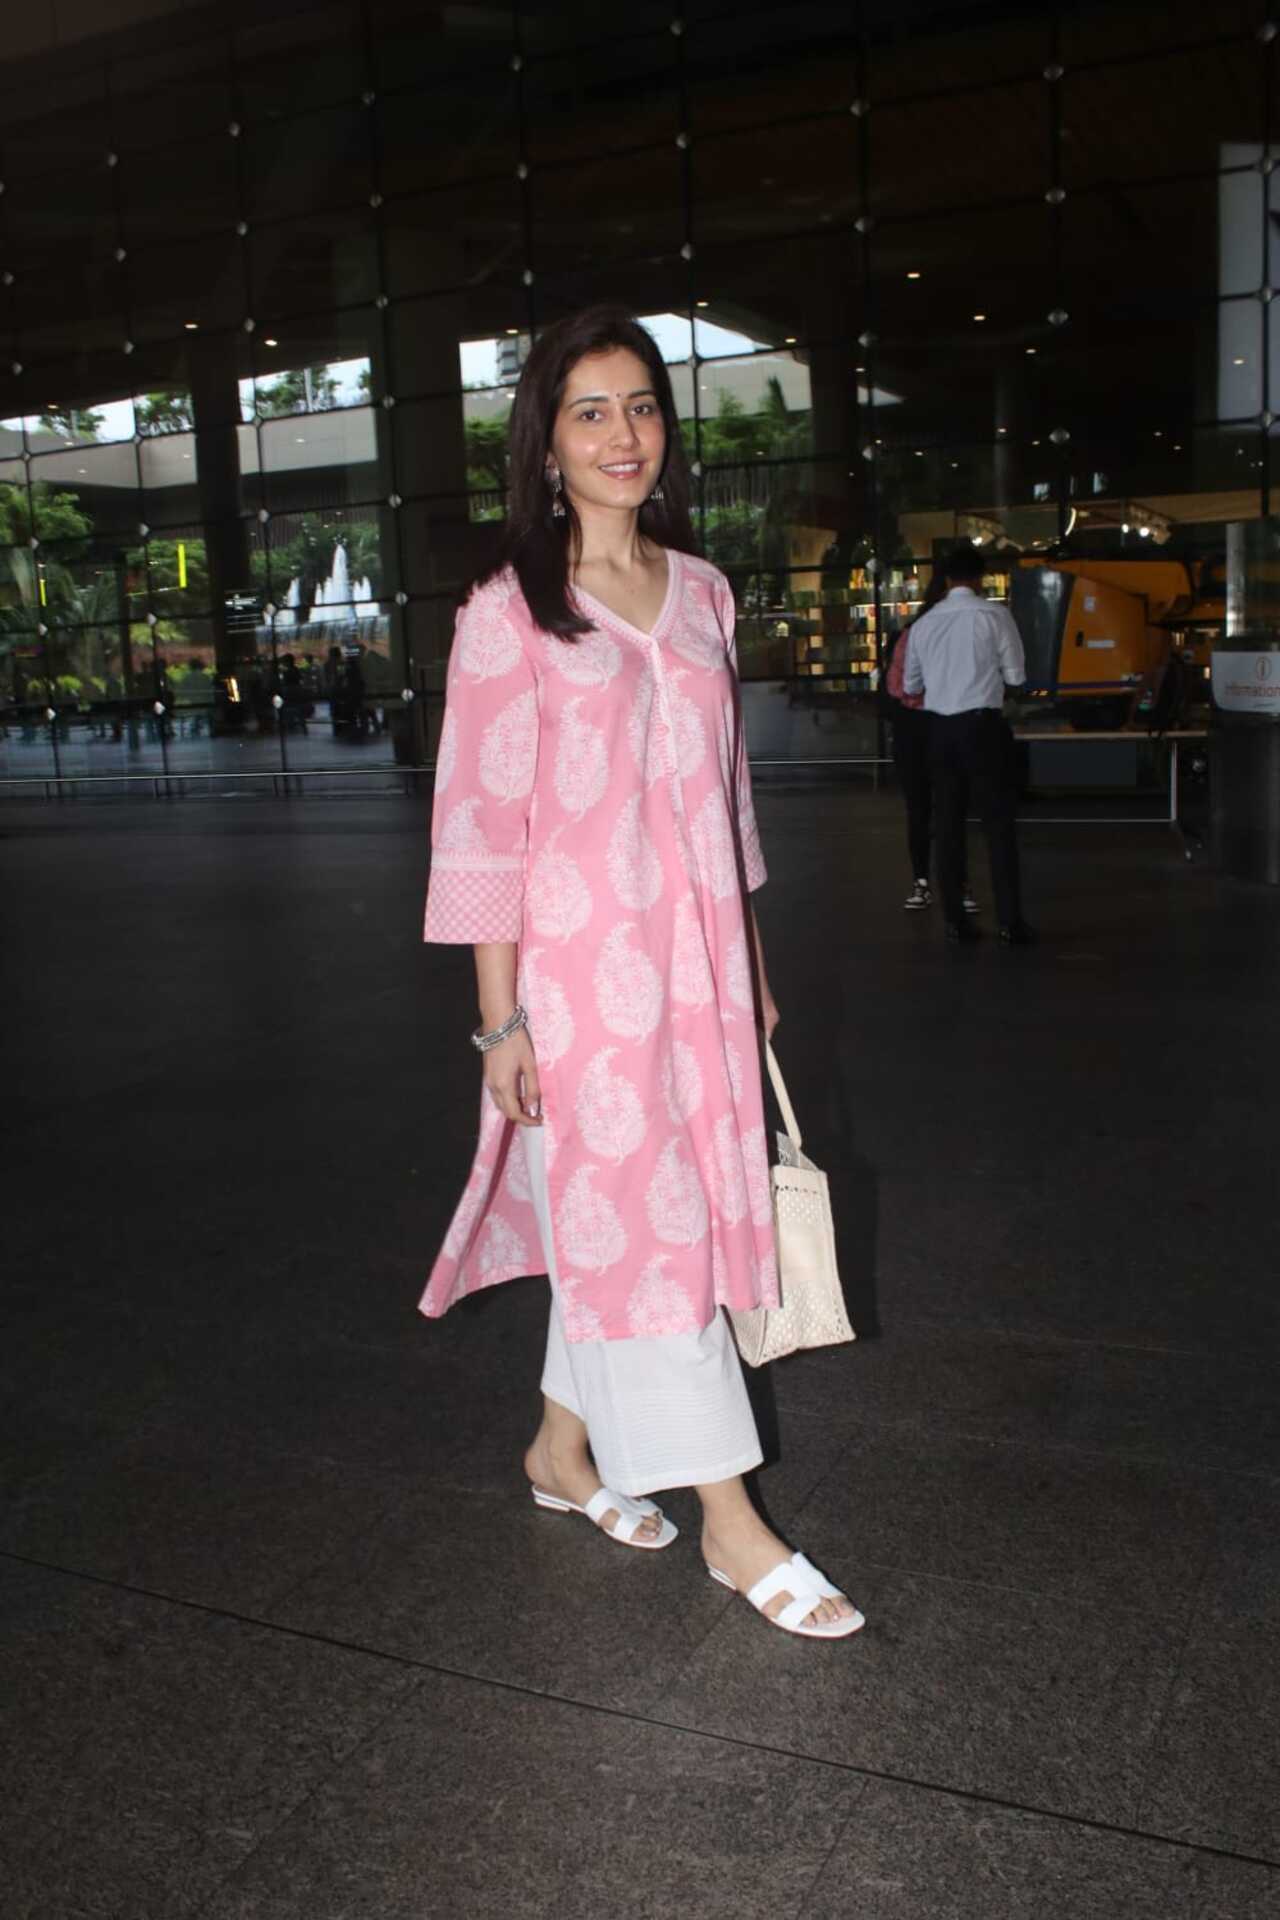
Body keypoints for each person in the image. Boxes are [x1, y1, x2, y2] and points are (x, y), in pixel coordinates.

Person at [419, 305, 863, 1640]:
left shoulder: (706, 593)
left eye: (643, 407)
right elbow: (481, 832)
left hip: (705, 972)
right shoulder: (508, 615)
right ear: (545, 445)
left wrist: (757, 964)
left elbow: (727, 804)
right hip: (580, 985)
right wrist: (501, 1029)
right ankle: (734, 1525)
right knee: (649, 1233)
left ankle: (564, 1449)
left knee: (639, 1226)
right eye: (591, 411)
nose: (624, 435)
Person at [902, 545, 1034, 945]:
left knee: (947, 825)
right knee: (998, 825)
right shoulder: (995, 616)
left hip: (939, 732)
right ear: (980, 579)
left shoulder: (924, 624)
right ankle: (1010, 921)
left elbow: (911, 685)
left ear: (944, 579)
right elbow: (1016, 676)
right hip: (983, 728)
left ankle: (955, 921)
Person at [885, 573, 978, 916]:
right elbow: (901, 686)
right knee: (945, 807)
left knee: (925, 809)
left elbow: (899, 688)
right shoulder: (936, 635)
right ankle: (953, 884)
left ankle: (925, 883)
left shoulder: (912, 633)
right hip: (941, 723)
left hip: (918, 727)